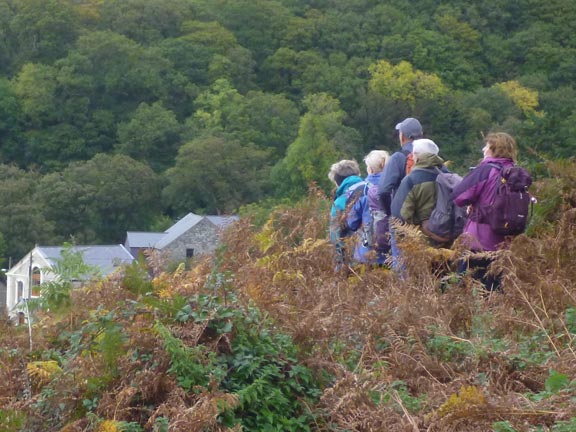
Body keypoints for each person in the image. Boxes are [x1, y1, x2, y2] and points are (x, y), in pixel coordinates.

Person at [451, 132, 519, 291]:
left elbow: (459, 196)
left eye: (487, 146)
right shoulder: (515, 172)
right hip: (505, 241)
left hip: (478, 240)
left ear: (494, 149)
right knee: (495, 290)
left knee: (466, 290)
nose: (483, 149)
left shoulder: (486, 169)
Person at [378, 117, 423, 267]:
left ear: (403, 136)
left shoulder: (398, 158)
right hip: (427, 220)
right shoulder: (431, 155)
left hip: (402, 221)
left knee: (402, 265)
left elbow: (383, 190)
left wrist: (391, 214)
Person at [391, 139, 444, 245]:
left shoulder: (411, 180)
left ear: (416, 155)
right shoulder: (446, 176)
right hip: (444, 236)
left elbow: (400, 215)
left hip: (419, 241)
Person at [345, 150, 390, 266]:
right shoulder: (396, 187)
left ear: (369, 169)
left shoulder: (358, 190)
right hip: (392, 254)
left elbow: (352, 223)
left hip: (365, 253)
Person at [328, 159, 364, 269]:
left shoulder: (340, 202)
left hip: (352, 259)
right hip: (375, 255)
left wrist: (340, 260)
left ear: (338, 181)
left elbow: (336, 235)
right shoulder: (371, 189)